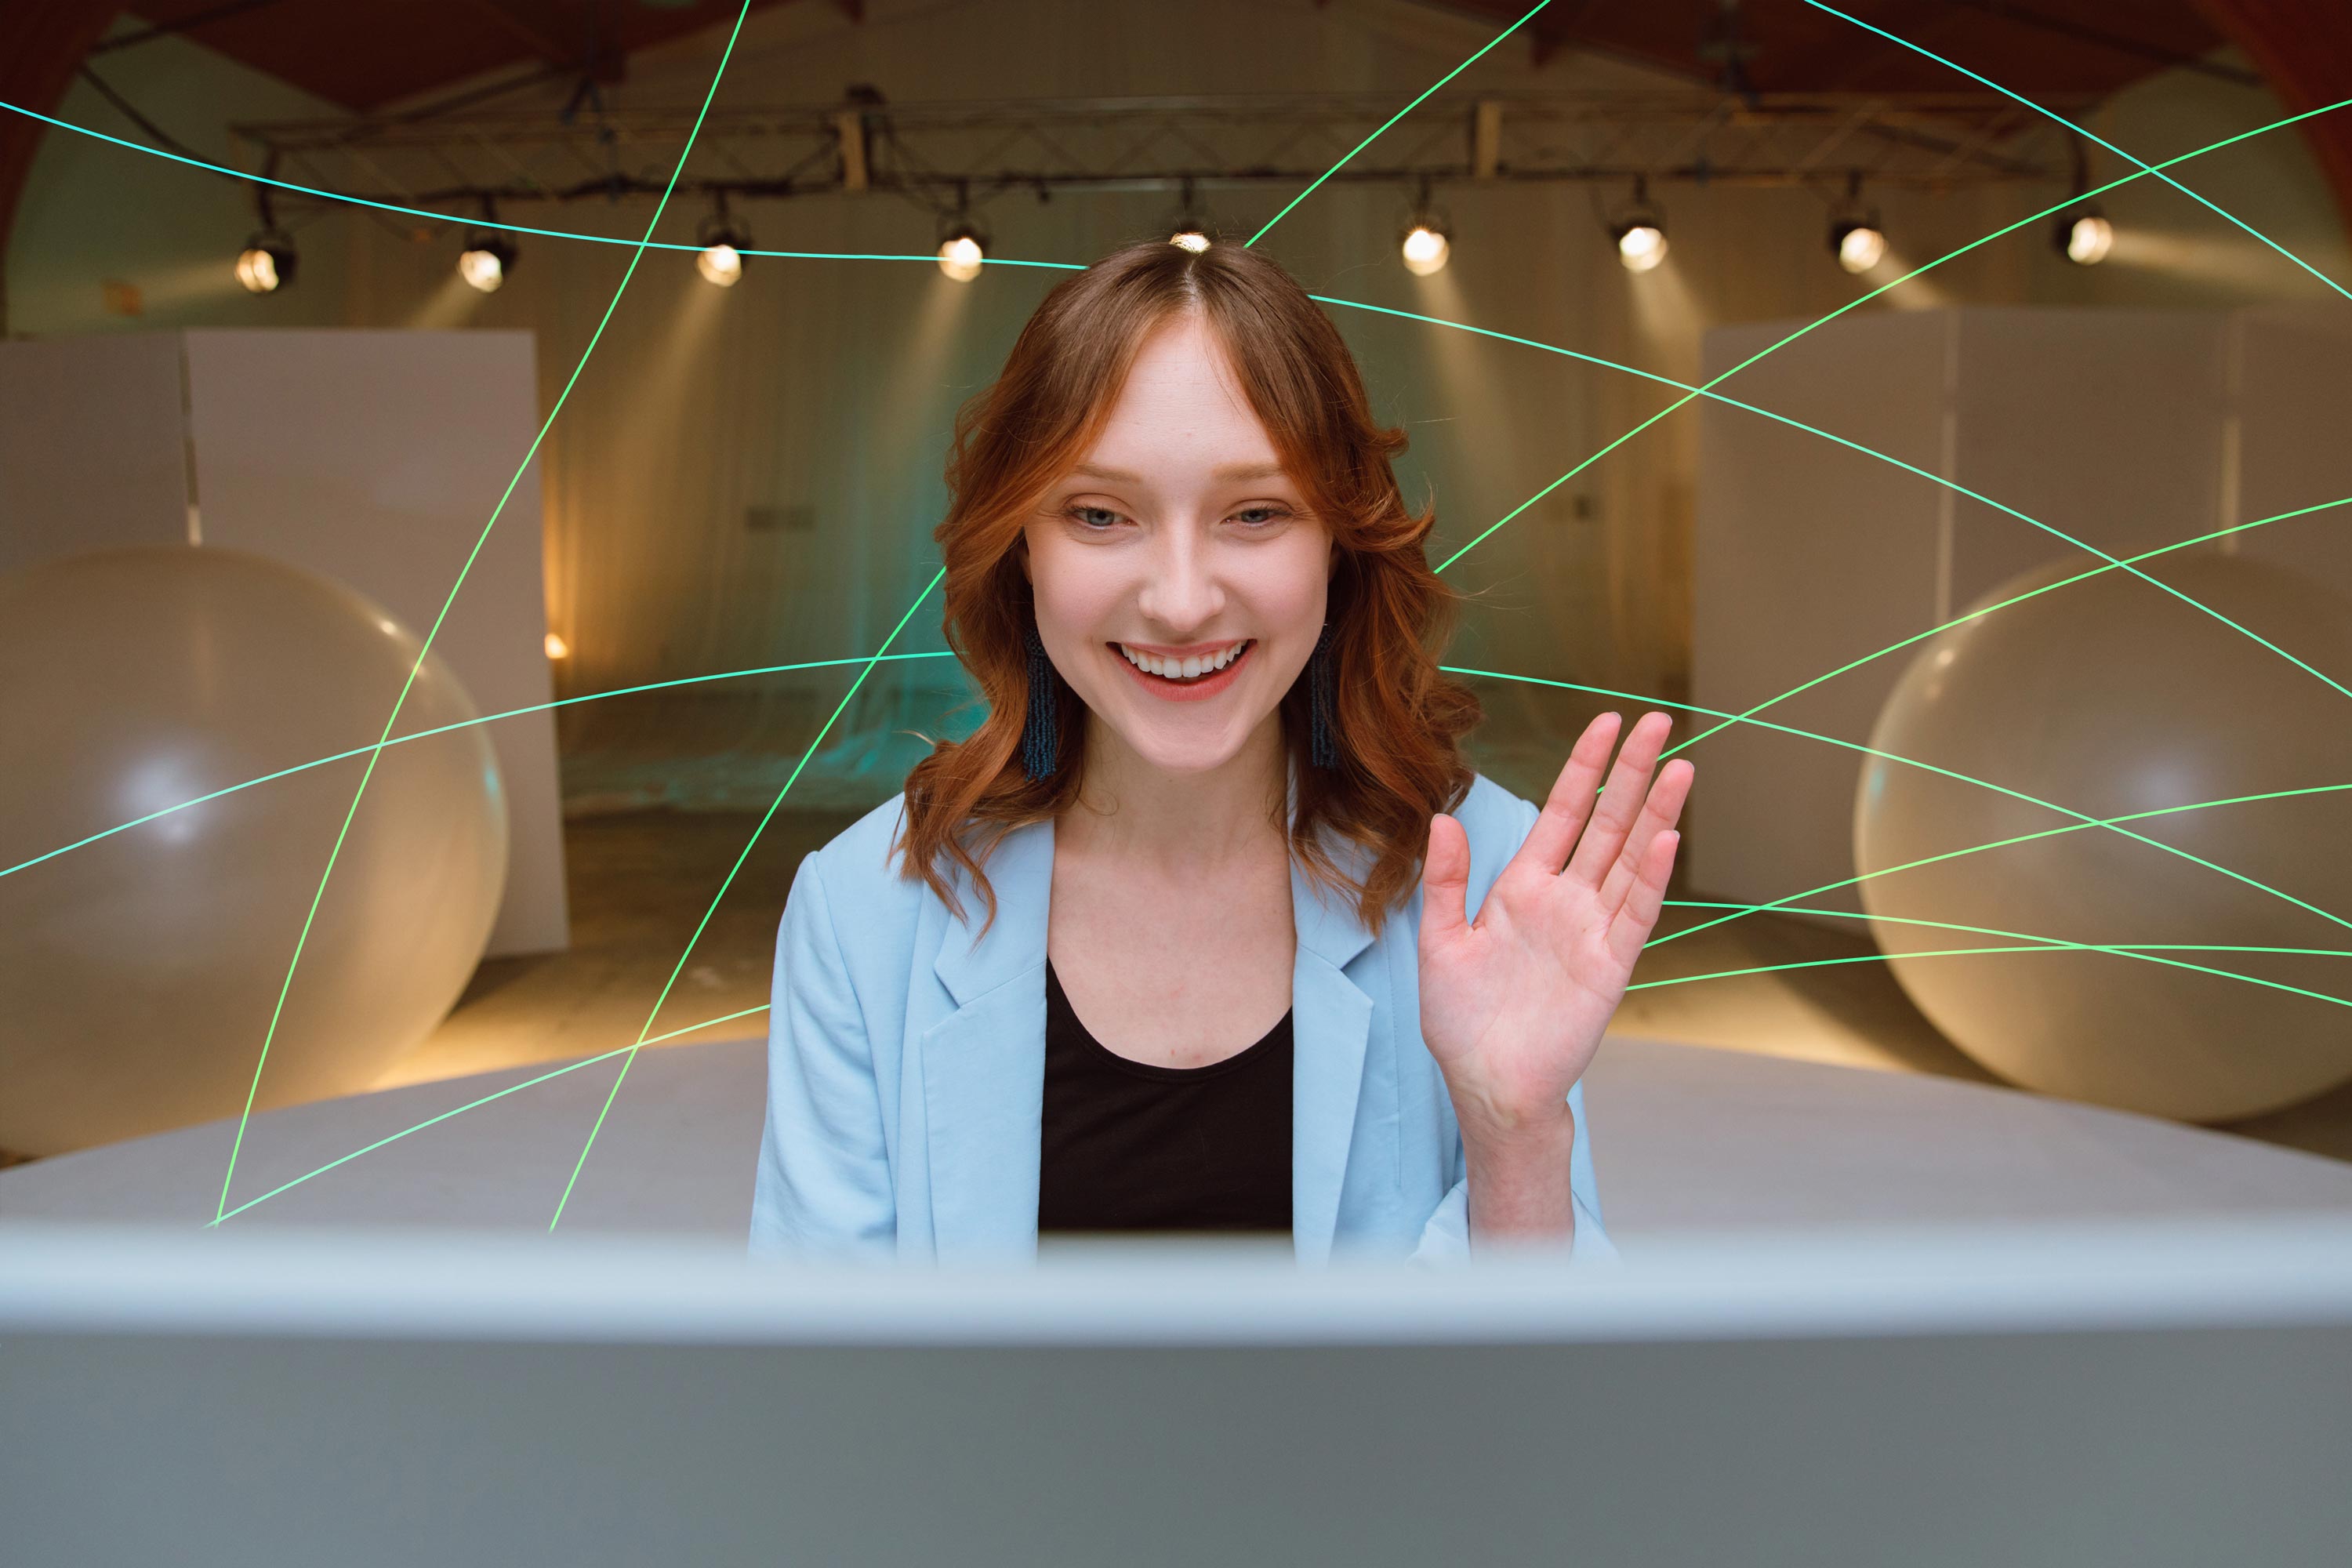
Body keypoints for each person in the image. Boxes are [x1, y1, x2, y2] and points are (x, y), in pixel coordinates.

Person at [750, 235, 1690, 1265]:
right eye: (1100, 515)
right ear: (1023, 547)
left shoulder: (1485, 875)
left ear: (1339, 541)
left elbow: (1547, 1405)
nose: (1184, 601)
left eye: (1255, 513)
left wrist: (1516, 1137)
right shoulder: (866, 914)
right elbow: (826, 1397)